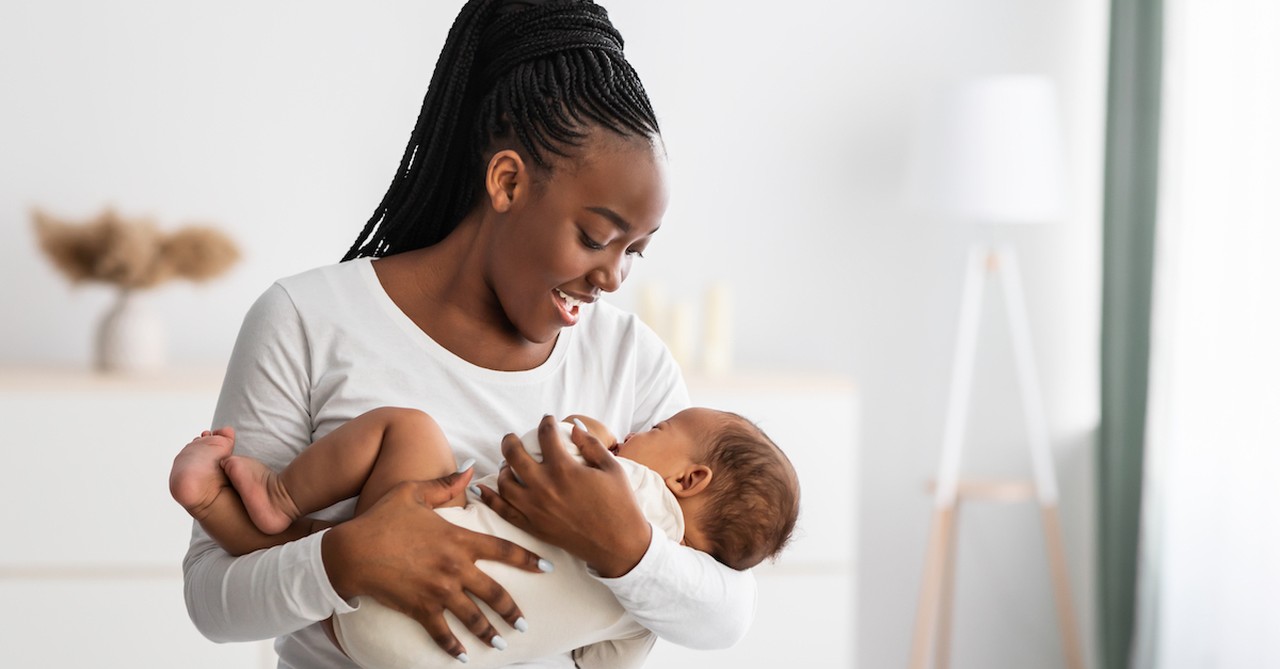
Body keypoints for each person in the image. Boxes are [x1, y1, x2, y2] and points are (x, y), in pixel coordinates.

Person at [182, 1, 761, 667]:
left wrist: (625, 547)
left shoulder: (630, 360)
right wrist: (345, 557)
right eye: (597, 238)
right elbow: (212, 599)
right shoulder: (308, 319)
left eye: (636, 251)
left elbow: (727, 609)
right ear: (507, 180)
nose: (613, 277)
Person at [172, 407, 799, 668]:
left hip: (355, 613)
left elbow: (529, 457)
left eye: (658, 424)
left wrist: (586, 431)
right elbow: (596, 663)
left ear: (688, 478)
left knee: (408, 432)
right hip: (423, 657)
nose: (639, 427)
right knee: (347, 543)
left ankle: (273, 497)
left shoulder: (627, 482)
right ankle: (213, 502)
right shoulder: (649, 611)